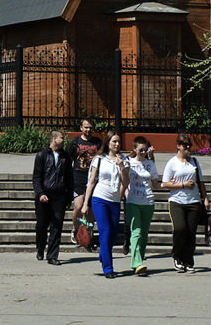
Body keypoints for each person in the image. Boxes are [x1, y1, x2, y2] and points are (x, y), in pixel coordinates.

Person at [80, 131, 130, 278]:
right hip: (100, 198)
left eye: (119, 142)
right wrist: (85, 203)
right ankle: (108, 268)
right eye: (114, 141)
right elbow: (91, 182)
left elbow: (126, 183)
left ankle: (103, 254)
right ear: (108, 143)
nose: (117, 144)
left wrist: (122, 167)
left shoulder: (124, 160)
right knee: (105, 230)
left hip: (114, 200)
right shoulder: (99, 159)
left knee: (113, 232)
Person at [161, 134, 210, 273]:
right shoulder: (172, 163)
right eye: (184, 145)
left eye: (189, 145)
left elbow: (200, 181)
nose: (187, 147)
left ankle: (188, 260)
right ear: (178, 146)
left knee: (191, 232)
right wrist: (182, 185)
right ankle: (177, 256)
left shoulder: (194, 161)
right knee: (180, 229)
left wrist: (205, 197)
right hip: (177, 201)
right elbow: (165, 183)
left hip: (193, 201)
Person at [32, 130, 74, 265]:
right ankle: (40, 248)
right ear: (54, 139)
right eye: (62, 138)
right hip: (44, 196)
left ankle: (52, 255)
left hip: (59, 195)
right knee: (42, 226)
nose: (64, 140)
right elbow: (37, 177)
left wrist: (69, 197)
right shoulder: (42, 155)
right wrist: (40, 193)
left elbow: (69, 178)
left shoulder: (66, 156)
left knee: (57, 226)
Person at [124, 135, 159, 276]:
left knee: (144, 234)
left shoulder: (150, 164)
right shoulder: (129, 162)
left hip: (148, 201)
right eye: (140, 150)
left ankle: (139, 260)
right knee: (136, 232)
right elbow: (123, 178)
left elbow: (155, 184)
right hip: (133, 201)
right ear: (134, 149)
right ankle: (137, 263)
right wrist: (124, 191)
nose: (143, 152)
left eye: (145, 149)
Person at [66, 119, 102, 248]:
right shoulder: (75, 142)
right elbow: (68, 159)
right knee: (79, 206)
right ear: (81, 128)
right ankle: (75, 229)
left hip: (94, 179)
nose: (88, 130)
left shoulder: (97, 142)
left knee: (91, 210)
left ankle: (89, 234)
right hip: (78, 179)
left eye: (90, 127)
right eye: (86, 127)